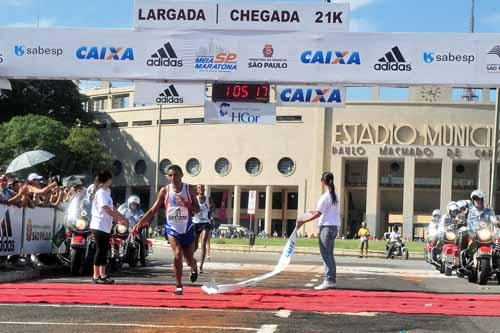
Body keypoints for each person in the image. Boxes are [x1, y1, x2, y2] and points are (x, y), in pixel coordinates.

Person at [133, 165, 200, 295]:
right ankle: (179, 285)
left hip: (187, 228)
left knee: (189, 259)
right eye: (170, 175)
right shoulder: (165, 190)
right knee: (177, 254)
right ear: (167, 177)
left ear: (181, 175)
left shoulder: (188, 189)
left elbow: (197, 210)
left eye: (175, 174)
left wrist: (186, 203)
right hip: (172, 228)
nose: (173, 177)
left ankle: (194, 266)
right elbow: (153, 210)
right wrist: (140, 222)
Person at [296, 171, 340, 290]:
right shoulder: (336, 195)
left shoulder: (325, 196)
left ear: (323, 182)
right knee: (329, 254)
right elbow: (322, 212)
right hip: (334, 227)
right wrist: (312, 213)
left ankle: (329, 280)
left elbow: (319, 214)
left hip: (326, 227)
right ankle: (331, 280)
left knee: (326, 255)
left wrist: (303, 222)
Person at [90, 170, 128, 284]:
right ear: (107, 180)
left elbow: (112, 207)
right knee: (100, 250)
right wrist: (118, 218)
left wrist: (121, 216)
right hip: (98, 224)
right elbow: (105, 208)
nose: (111, 181)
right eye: (110, 179)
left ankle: (103, 274)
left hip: (106, 226)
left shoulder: (107, 191)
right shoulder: (100, 192)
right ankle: (96, 275)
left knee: (104, 250)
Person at [118, 195, 146, 266]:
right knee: (116, 238)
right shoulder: (124, 211)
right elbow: (119, 217)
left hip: (136, 230)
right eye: (132, 204)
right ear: (129, 204)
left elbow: (142, 219)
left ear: (138, 205)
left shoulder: (140, 212)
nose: (134, 205)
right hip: (125, 230)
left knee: (141, 241)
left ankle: (142, 260)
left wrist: (142, 223)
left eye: (135, 204)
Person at [193, 185, 213, 273]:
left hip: (205, 223)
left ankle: (201, 266)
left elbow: (212, 208)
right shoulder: (194, 199)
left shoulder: (209, 199)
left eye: (202, 188)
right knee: (195, 245)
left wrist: (211, 216)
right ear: (197, 190)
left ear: (204, 189)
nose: (201, 189)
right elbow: (191, 209)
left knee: (203, 242)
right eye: (199, 188)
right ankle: (188, 257)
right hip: (196, 222)